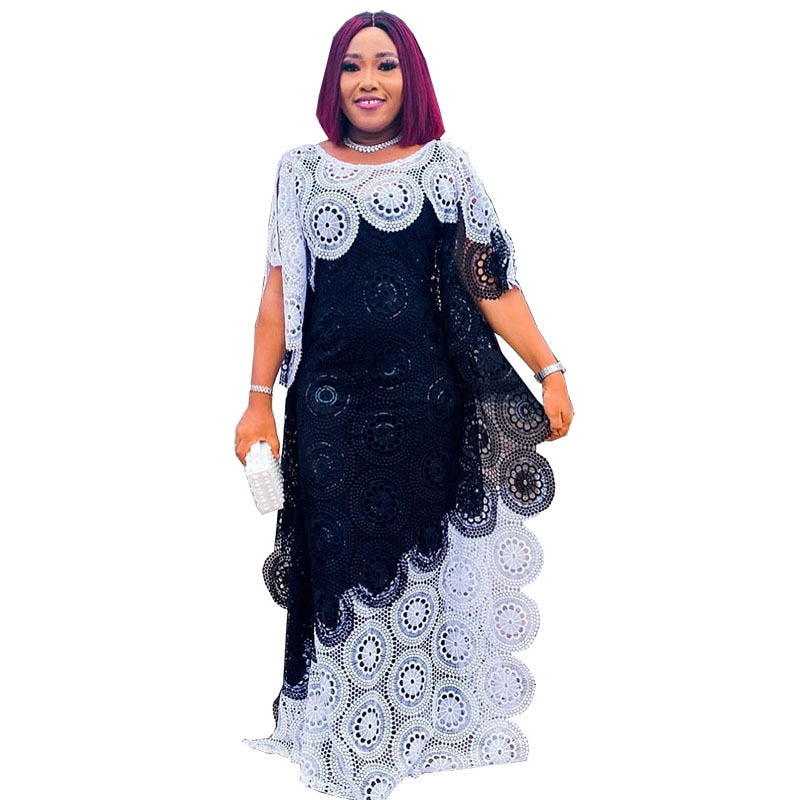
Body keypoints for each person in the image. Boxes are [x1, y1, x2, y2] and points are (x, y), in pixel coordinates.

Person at [235, 10, 574, 799]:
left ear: (409, 77)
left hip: (427, 412)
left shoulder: (445, 169)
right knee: (341, 569)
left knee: (420, 566)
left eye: (384, 65)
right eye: (352, 66)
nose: (368, 81)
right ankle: (344, 743)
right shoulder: (299, 171)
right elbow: (279, 293)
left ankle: (417, 732)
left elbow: (491, 285)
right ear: (333, 81)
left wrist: (550, 368)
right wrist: (256, 403)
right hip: (328, 413)